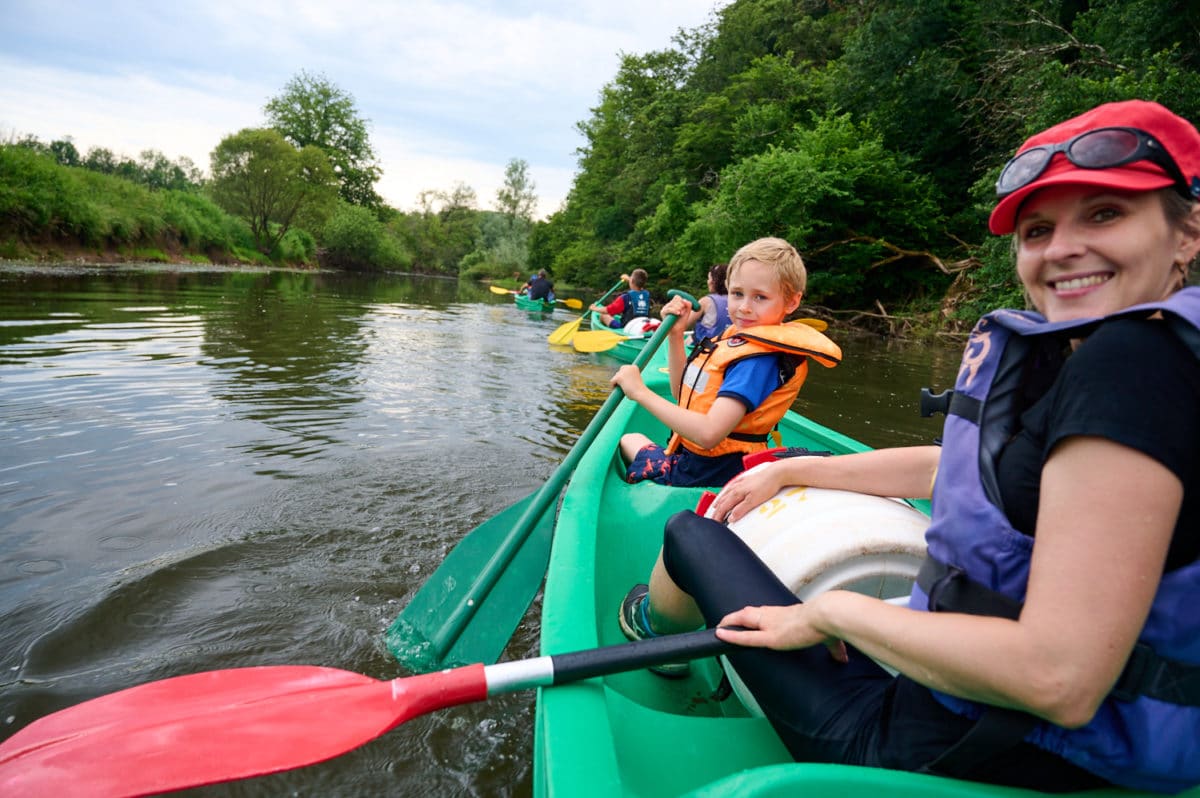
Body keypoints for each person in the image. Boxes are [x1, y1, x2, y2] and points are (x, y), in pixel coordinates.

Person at [618, 99, 1200, 793]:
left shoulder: (1130, 366)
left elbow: (1059, 679)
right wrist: (794, 469)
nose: (1062, 247)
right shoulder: (1125, 356)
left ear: (1188, 232)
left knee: (690, 532)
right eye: (1038, 228)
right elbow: (959, 468)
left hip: (963, 745)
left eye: (1106, 214)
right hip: (1023, 731)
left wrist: (832, 614)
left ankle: (653, 632)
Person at [610, 237, 841, 488]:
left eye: (760, 297)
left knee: (628, 439)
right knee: (632, 439)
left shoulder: (757, 362)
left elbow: (708, 434)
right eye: (737, 293)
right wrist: (676, 336)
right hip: (704, 462)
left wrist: (640, 392)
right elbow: (682, 394)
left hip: (703, 474)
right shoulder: (736, 341)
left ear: (792, 302)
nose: (744, 307)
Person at [688, 262, 732, 346]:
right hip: (727, 347)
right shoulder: (737, 300)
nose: (708, 282)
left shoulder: (706, 301)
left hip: (704, 348)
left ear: (713, 281)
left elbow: (684, 324)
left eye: (709, 278)